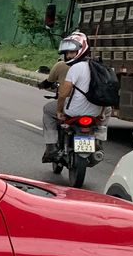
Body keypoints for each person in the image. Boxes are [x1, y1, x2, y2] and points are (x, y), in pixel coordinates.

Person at [42, 31, 102, 162]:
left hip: (74, 111)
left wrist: (58, 111)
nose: (68, 56)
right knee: (103, 120)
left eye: (72, 52)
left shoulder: (76, 68)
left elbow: (63, 94)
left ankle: (51, 148)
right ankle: (98, 142)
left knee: (47, 109)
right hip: (95, 112)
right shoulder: (99, 67)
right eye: (67, 53)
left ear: (81, 50)